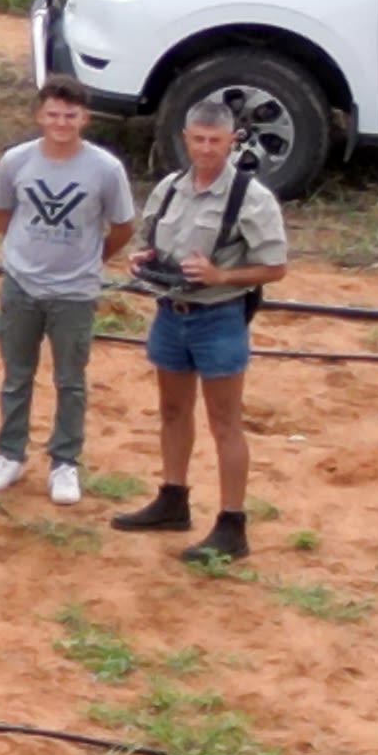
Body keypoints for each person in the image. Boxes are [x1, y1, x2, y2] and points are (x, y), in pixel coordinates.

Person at [111, 98, 287, 563]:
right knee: (172, 409)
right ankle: (173, 498)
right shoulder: (170, 187)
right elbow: (154, 242)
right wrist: (146, 262)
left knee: (225, 421)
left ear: (233, 141)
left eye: (216, 140)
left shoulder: (251, 197)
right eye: (199, 139)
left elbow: (274, 267)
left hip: (219, 317)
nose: (207, 149)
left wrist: (221, 276)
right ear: (186, 139)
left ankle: (232, 523)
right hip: (171, 312)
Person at [0, 81, 138, 506]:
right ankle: (9, 454)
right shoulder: (16, 161)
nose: (61, 123)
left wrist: (94, 258)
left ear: (84, 119)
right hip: (21, 284)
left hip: (74, 291)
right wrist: (20, 255)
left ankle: (64, 462)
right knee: (16, 375)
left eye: (71, 116)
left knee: (70, 380)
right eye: (53, 114)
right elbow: (2, 212)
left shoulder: (105, 169)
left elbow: (123, 225)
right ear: (39, 116)